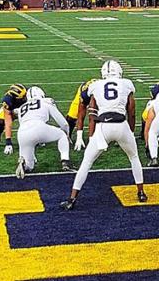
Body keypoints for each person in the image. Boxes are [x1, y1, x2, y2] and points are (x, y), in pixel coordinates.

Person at [61, 60, 145, 209]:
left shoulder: (95, 85)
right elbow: (131, 110)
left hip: (103, 125)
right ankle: (141, 192)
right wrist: (130, 131)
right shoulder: (126, 83)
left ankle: (72, 198)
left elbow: (91, 109)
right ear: (119, 71)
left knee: (86, 162)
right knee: (134, 157)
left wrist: (90, 133)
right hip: (121, 124)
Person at [14, 86, 72, 178]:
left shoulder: (21, 108)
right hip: (38, 126)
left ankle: (24, 164)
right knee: (62, 135)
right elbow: (64, 124)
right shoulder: (46, 102)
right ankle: (65, 161)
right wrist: (67, 134)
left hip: (22, 133)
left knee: (30, 167)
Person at [0, 84, 27, 149]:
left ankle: (38, 138)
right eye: (23, 97)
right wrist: (8, 142)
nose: (25, 98)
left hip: (26, 109)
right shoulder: (7, 100)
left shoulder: (28, 94)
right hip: (11, 110)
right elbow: (8, 121)